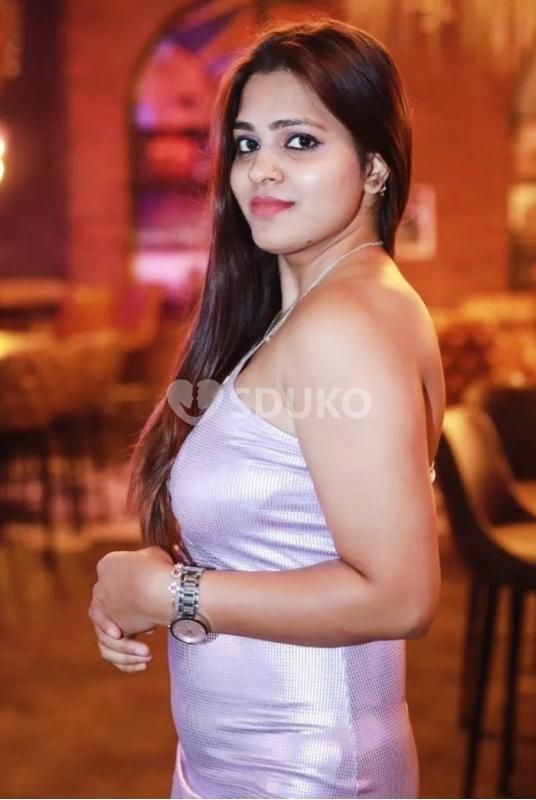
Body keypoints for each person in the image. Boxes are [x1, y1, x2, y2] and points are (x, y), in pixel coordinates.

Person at [89, 17, 445, 799]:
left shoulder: (345, 324)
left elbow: (400, 593)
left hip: (302, 773)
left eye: (301, 142)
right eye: (247, 144)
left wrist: (172, 594)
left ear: (375, 166)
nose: (261, 169)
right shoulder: (336, 308)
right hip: (253, 762)